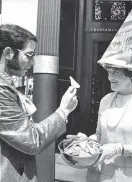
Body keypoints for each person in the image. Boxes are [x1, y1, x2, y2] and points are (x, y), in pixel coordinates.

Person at [68, 3, 132, 182]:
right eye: (109, 71)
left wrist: (119, 148)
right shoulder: (105, 100)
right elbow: (101, 137)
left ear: (131, 75)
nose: (110, 77)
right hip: (102, 175)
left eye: (116, 72)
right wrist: (86, 141)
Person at [0, 24, 78, 182]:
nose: (33, 62)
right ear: (8, 53)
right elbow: (30, 140)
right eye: (29, 55)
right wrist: (62, 111)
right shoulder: (2, 89)